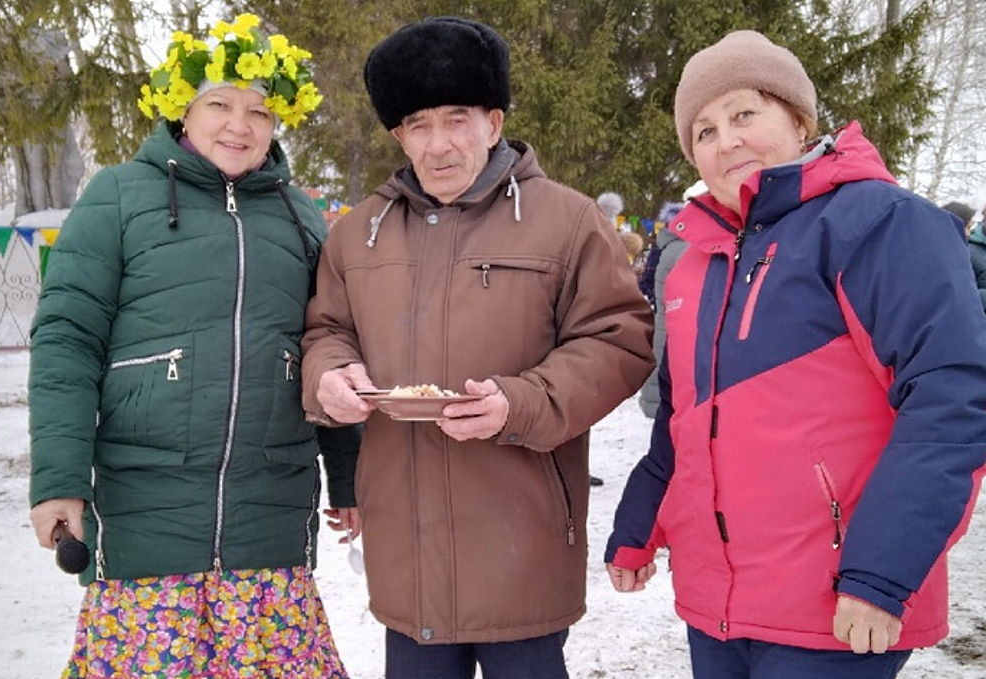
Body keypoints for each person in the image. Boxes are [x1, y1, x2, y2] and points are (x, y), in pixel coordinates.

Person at [605, 29, 986, 679]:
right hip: (717, 604)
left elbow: (952, 397)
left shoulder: (878, 220)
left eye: (744, 114)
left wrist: (881, 572)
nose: (725, 140)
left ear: (799, 118)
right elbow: (683, 416)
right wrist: (640, 519)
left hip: (837, 605)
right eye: (703, 130)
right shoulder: (695, 262)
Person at [300, 17, 654, 679]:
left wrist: (520, 403)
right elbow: (327, 330)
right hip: (408, 551)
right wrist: (329, 374)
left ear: (494, 122)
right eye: (419, 125)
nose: (438, 145)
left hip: (521, 538)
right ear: (399, 135)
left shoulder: (568, 220)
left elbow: (620, 338)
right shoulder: (359, 235)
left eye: (457, 119)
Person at [28, 14, 354, 677]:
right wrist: (60, 480)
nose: (240, 124)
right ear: (183, 107)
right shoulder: (117, 197)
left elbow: (332, 346)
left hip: (269, 540)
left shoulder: (302, 218)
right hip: (149, 535)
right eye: (220, 104)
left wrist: (349, 475)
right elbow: (67, 341)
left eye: (260, 111)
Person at [637, 200, 686, 418]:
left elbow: (646, 279)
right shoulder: (684, 249)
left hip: (662, 313)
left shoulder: (661, 246)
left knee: (660, 361)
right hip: (677, 315)